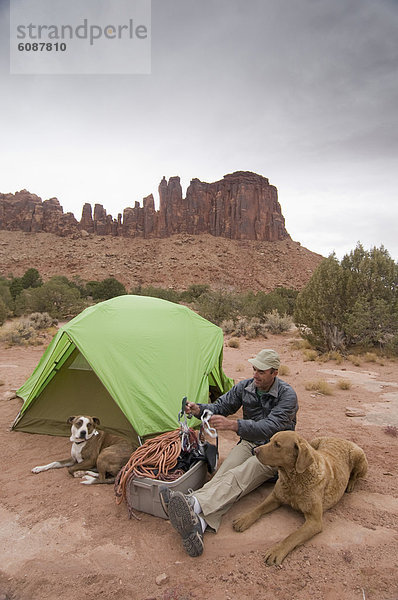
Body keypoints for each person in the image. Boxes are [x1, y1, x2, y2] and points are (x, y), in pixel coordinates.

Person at [160, 348, 299, 557]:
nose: (255, 375)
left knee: (240, 475)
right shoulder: (246, 387)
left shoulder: (287, 396)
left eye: (261, 371)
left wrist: (233, 426)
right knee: (224, 474)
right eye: (254, 369)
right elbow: (221, 406)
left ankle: (194, 502)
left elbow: (270, 427)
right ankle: (200, 523)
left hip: (273, 453)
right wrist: (198, 409)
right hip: (249, 443)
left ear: (274, 373)